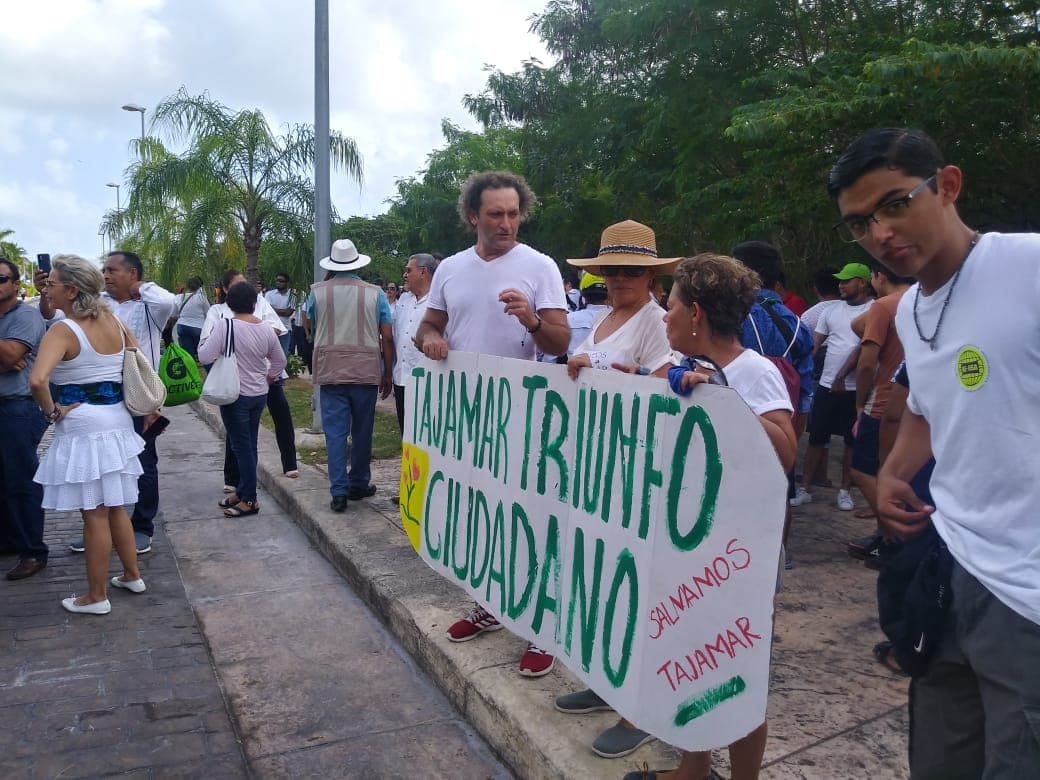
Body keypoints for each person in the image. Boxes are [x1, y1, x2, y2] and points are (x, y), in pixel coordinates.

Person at [830, 126, 1040, 778]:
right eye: (861, 223)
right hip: (950, 572)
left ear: (947, 186)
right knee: (942, 761)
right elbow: (923, 397)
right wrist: (895, 468)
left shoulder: (1026, 265)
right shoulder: (912, 308)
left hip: (1029, 595)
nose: (880, 233)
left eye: (895, 204)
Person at [624, 252, 796, 780]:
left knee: (738, 670)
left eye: (670, 304)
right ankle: (691, 769)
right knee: (692, 659)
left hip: (741, 553)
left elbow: (786, 450)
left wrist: (724, 403)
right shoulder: (690, 370)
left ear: (695, 313)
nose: (663, 313)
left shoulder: (751, 371)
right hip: (694, 547)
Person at [415, 170, 569, 679]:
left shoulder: (539, 266)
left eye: (513, 213)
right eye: (496, 214)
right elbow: (427, 326)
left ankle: (542, 630)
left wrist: (531, 319)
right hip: (465, 417)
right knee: (480, 514)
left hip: (525, 418)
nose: (506, 223)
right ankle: (489, 605)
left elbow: (560, 343)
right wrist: (431, 341)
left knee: (530, 518)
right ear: (472, 217)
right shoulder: (451, 269)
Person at [554, 220, 678, 760]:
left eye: (633, 270)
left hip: (641, 469)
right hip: (601, 466)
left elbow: (667, 386)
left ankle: (643, 710)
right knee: (604, 580)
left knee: (642, 585)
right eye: (613, 269)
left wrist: (611, 374)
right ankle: (609, 683)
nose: (622, 277)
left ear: (651, 274)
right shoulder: (606, 316)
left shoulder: (659, 321)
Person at [30, 255, 147, 614]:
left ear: (72, 289)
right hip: (117, 421)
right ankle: (131, 575)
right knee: (115, 506)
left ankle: (96, 596)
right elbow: (137, 359)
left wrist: (51, 411)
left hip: (84, 428)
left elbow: (37, 380)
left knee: (93, 512)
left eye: (51, 283)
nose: (45, 288)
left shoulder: (63, 331)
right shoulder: (112, 320)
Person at [74, 251, 177, 555]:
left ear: (132, 273)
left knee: (143, 462)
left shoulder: (149, 305)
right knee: (101, 464)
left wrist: (141, 288)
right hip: (102, 396)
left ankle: (142, 526)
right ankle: (98, 528)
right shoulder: (99, 305)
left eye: (112, 270)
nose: (106, 275)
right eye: (103, 270)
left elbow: (168, 301)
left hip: (137, 395)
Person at [305, 238, 394, 512]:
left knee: (335, 433)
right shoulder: (375, 293)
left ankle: (339, 492)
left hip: (331, 370)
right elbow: (387, 336)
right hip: (365, 371)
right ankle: (358, 483)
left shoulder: (317, 292)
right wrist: (387, 371)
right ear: (357, 262)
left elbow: (308, 327)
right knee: (362, 430)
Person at [791, 262, 874, 511]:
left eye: (847, 281)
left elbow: (864, 348)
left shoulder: (875, 310)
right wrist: (801, 374)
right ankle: (804, 488)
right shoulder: (830, 311)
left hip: (855, 388)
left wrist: (843, 376)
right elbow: (815, 346)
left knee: (851, 441)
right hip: (826, 385)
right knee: (817, 437)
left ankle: (844, 491)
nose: (841, 285)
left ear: (862, 282)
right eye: (839, 281)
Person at [199, 281, 285, 517]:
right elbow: (279, 361)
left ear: (228, 303)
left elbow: (204, 354)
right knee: (249, 444)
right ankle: (244, 491)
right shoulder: (266, 328)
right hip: (259, 394)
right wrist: (268, 378)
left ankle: (250, 499)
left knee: (241, 447)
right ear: (255, 303)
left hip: (235, 395)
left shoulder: (225, 326)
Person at [203, 270, 299, 483]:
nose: (244, 289)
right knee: (237, 429)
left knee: (281, 413)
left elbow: (275, 330)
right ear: (226, 289)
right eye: (238, 285)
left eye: (245, 284)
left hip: (264, 374)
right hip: (234, 377)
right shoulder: (217, 312)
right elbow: (207, 345)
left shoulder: (260, 302)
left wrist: (248, 333)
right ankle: (233, 478)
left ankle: (289, 463)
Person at [846, 261, 913, 544]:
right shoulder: (923, 299)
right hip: (917, 404)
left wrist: (860, 404)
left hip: (884, 400)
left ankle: (892, 536)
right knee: (904, 471)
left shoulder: (884, 308)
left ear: (879, 275)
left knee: (863, 470)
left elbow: (866, 364)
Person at [0, 256, 48, 581]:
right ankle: (11, 539)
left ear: (16, 285)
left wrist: (9, 357)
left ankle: (34, 551)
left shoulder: (27, 317)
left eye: (1, 279)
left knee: (21, 481)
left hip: (19, 407)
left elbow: (11, 356)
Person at [392, 253, 437, 432]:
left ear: (423, 272)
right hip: (401, 379)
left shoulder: (438, 303)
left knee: (426, 434)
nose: (404, 275)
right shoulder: (403, 300)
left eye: (408, 271)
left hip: (428, 383)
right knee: (406, 433)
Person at [173, 276, 209, 362]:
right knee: (203, 354)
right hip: (198, 328)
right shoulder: (201, 298)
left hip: (182, 327)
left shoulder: (178, 297)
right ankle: (209, 371)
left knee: (188, 356)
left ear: (187, 286)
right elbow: (208, 313)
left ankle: (191, 372)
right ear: (199, 287)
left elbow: (174, 313)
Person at [264, 272, 295, 357]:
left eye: (281, 281)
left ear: (287, 283)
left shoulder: (293, 296)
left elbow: (288, 313)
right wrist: (282, 311)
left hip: (285, 330)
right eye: (277, 280)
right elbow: (267, 311)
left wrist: (272, 309)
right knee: (269, 357)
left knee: (282, 357)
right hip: (271, 329)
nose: (278, 282)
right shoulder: (269, 294)